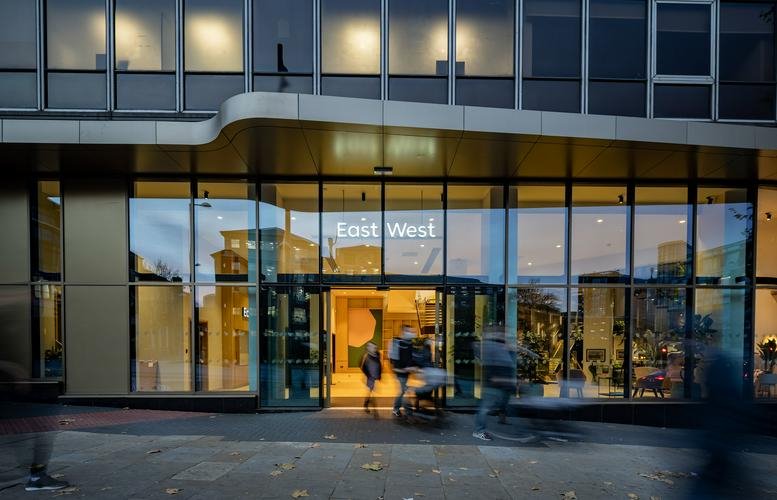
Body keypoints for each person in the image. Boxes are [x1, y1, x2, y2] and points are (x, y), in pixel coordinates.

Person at [473, 326, 517, 441]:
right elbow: (493, 364)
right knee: (485, 408)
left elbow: (506, 364)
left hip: (501, 383)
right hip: (494, 383)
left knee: (497, 404)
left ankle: (501, 418)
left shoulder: (500, 346)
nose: (504, 336)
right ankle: (479, 431)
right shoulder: (491, 346)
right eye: (501, 334)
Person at [390, 327, 416, 417]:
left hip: (406, 372)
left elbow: (411, 357)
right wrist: (402, 369)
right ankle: (401, 409)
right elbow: (394, 360)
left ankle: (401, 408)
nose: (412, 333)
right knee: (402, 390)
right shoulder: (398, 343)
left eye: (412, 331)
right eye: (409, 331)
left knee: (403, 390)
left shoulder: (410, 343)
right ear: (403, 332)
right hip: (400, 372)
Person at [360, 342, 381, 416]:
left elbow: (379, 364)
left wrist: (379, 375)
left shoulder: (377, 354)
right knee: (371, 391)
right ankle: (375, 410)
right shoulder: (365, 356)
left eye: (374, 347)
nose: (374, 348)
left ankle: (366, 404)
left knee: (370, 391)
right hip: (369, 377)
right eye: (372, 347)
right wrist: (368, 375)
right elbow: (362, 367)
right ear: (368, 348)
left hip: (375, 376)